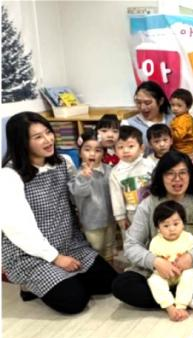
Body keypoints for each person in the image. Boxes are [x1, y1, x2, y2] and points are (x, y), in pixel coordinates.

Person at [1, 111, 116, 314]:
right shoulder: (9, 176)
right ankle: (30, 285)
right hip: (31, 253)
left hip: (69, 243)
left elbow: (77, 196)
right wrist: (55, 258)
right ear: (22, 142)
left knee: (110, 283)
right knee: (74, 302)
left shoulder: (63, 162)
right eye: (38, 137)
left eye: (48, 132)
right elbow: (18, 229)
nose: (48, 140)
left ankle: (63, 280)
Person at [112, 151, 193, 309]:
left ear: (191, 175)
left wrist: (192, 256)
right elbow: (131, 244)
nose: (177, 179)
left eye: (182, 173)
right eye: (170, 174)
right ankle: (184, 299)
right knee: (121, 285)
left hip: (190, 269)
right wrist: (155, 262)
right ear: (160, 176)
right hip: (157, 272)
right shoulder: (148, 204)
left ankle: (168, 299)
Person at [147, 200, 193, 321]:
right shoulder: (155, 242)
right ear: (158, 228)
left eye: (176, 224)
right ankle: (169, 307)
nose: (172, 229)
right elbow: (154, 262)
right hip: (164, 275)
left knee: (190, 274)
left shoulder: (188, 237)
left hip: (182, 272)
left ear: (183, 224)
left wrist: (189, 260)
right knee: (153, 280)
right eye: (166, 226)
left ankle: (181, 306)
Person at [68, 130, 116, 265]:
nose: (92, 154)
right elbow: (78, 193)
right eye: (87, 149)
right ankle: (98, 271)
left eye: (98, 150)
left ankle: (110, 270)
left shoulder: (109, 170)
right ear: (80, 152)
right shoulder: (77, 175)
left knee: (110, 247)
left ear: (104, 153)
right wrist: (84, 177)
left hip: (110, 219)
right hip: (91, 223)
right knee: (95, 249)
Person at [109, 126, 155, 235]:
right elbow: (116, 196)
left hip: (152, 208)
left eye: (131, 146)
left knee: (153, 235)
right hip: (132, 213)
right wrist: (120, 217)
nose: (126, 150)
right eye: (120, 147)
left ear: (141, 148)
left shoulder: (150, 164)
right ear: (115, 150)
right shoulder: (115, 172)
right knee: (132, 237)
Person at [123, 81, 173, 149]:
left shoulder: (174, 120)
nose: (142, 107)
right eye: (138, 102)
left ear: (161, 101)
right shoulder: (128, 125)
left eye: (147, 102)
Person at [169, 88, 193, 155]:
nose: (175, 108)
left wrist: (167, 132)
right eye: (172, 105)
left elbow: (178, 135)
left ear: (188, 107)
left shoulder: (185, 119)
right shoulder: (178, 117)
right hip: (180, 149)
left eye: (179, 106)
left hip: (186, 151)